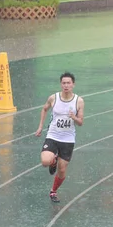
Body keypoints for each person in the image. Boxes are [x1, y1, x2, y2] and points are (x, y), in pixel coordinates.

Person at [35, 72, 84, 203]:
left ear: (73, 84)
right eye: (64, 83)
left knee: (62, 170)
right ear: (60, 84)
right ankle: (52, 161)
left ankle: (53, 191)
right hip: (53, 135)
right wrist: (40, 127)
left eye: (69, 83)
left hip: (68, 140)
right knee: (45, 162)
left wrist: (74, 117)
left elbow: (80, 122)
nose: (66, 85)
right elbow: (44, 109)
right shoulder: (53, 98)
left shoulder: (78, 101)